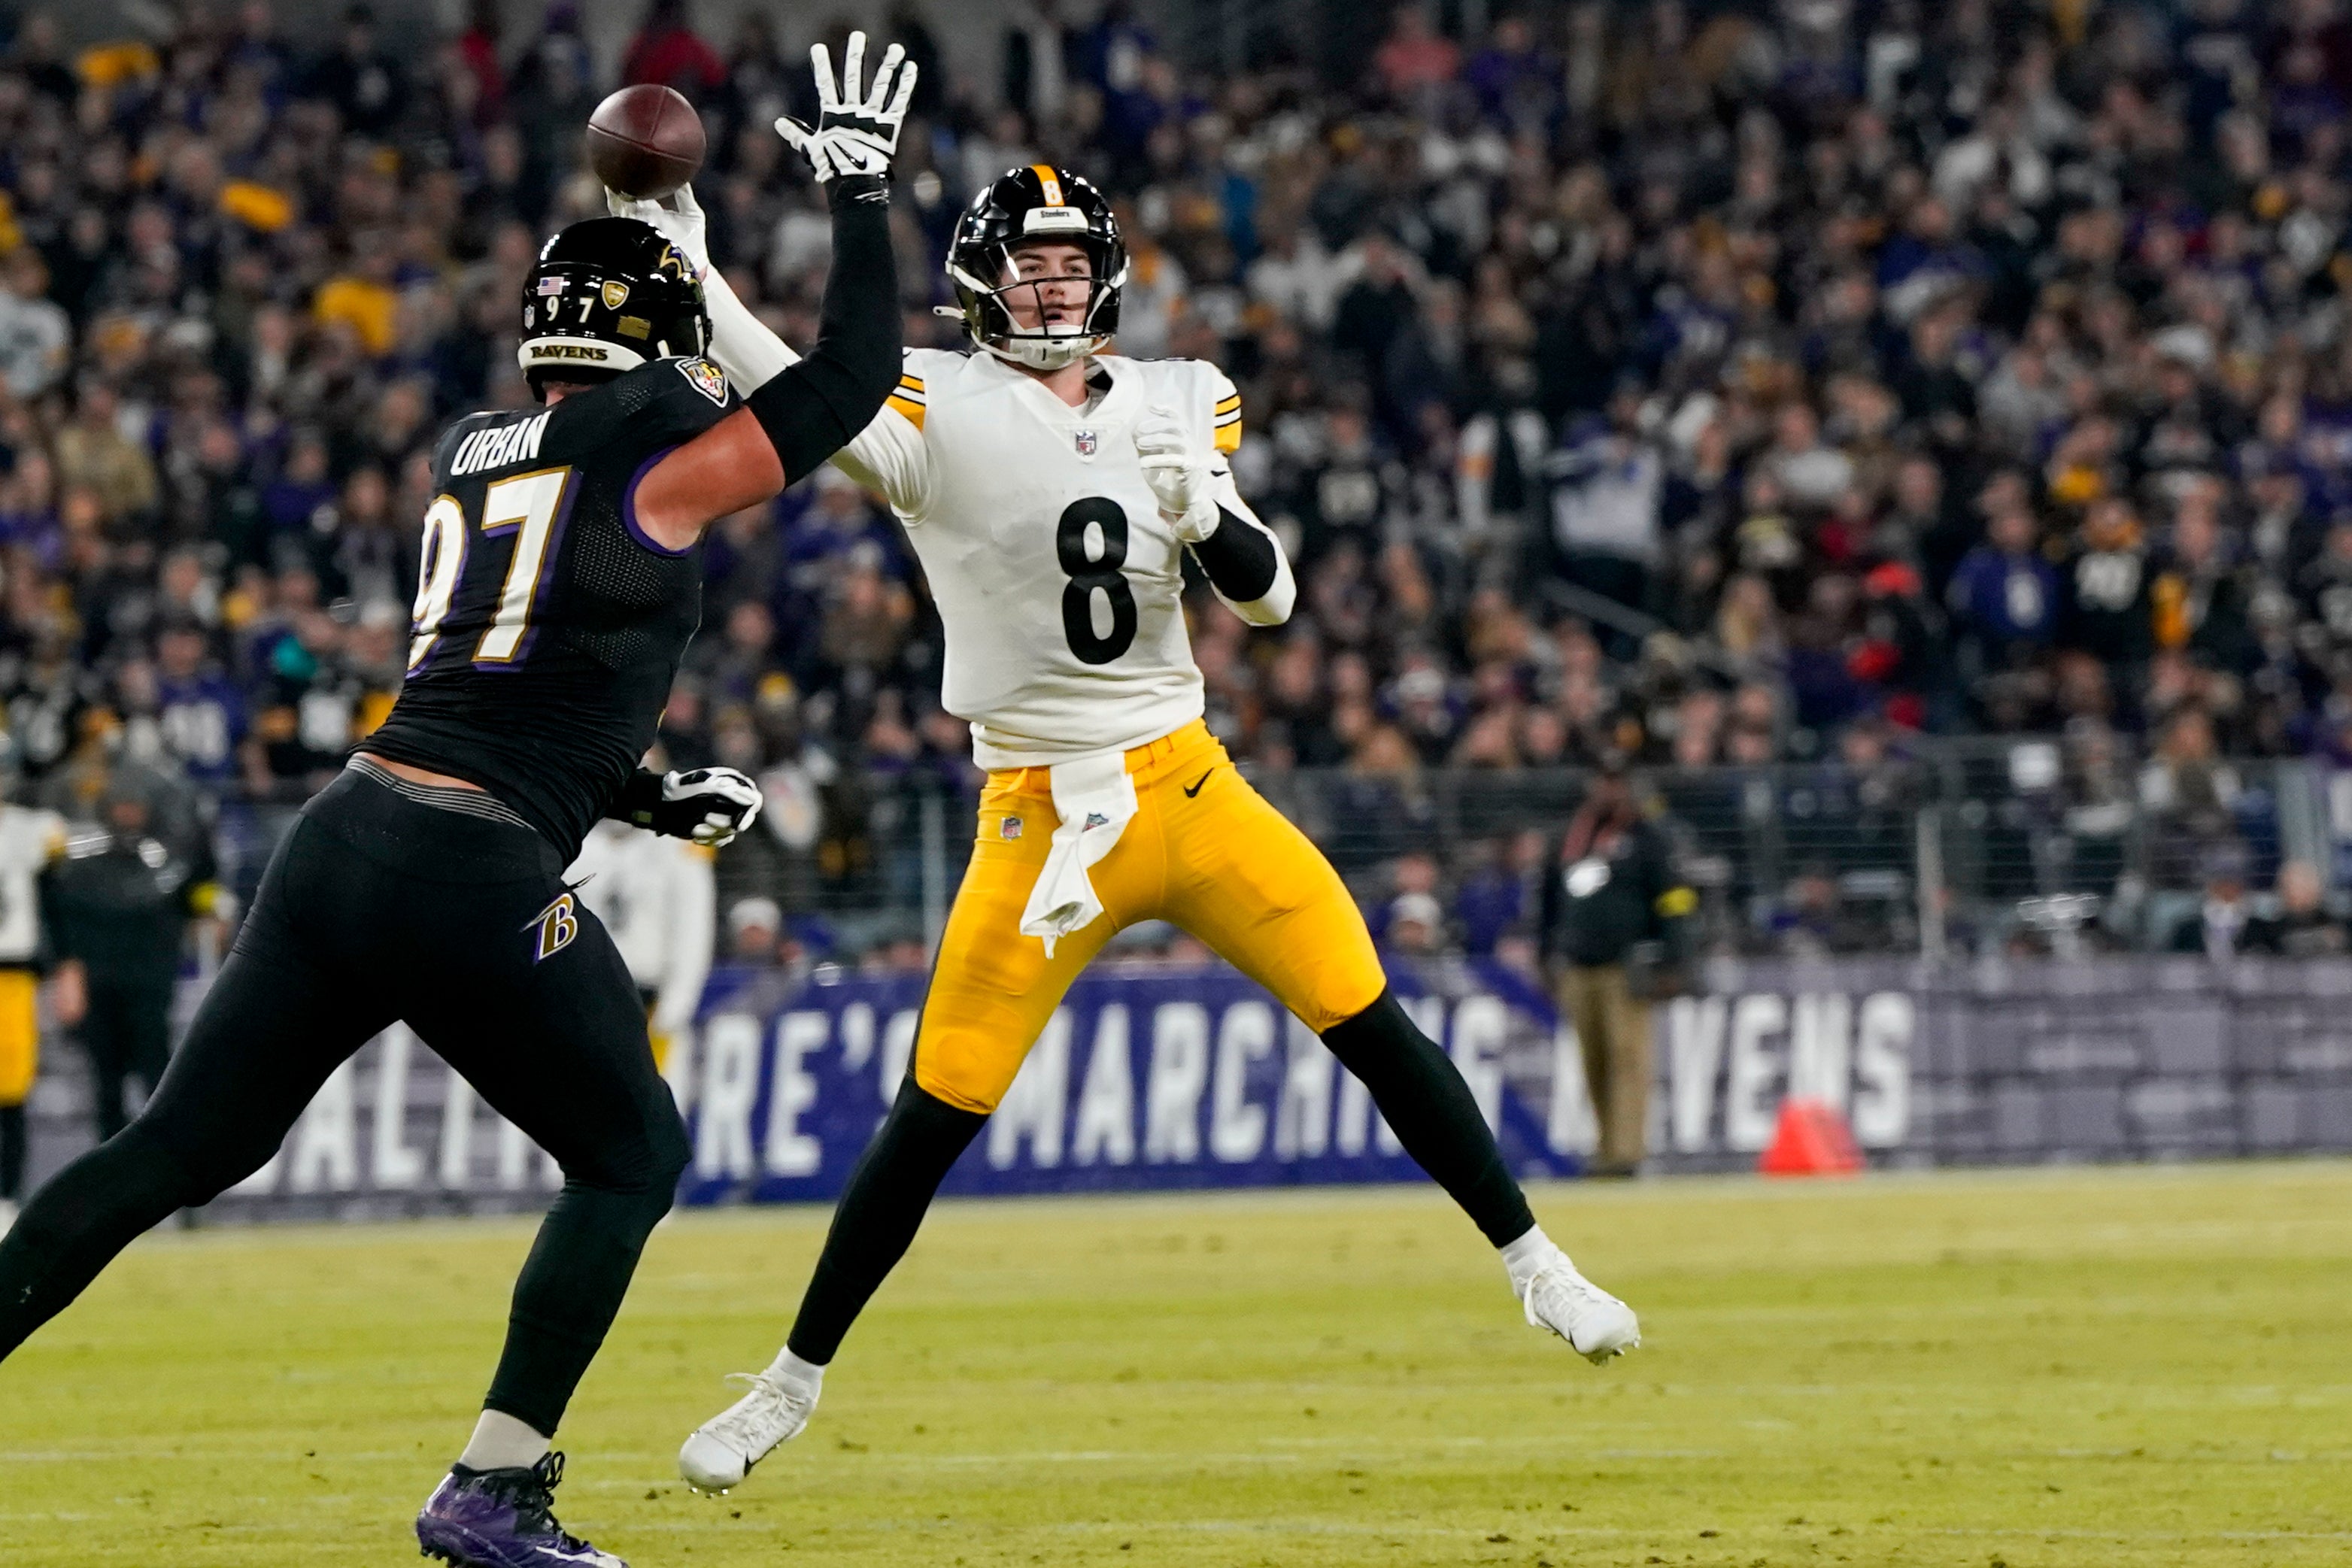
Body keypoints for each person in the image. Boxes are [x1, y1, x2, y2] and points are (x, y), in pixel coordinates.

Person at [0, 35, 912, 1568]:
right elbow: (855, 380)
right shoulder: (651, 451)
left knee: (169, 1150)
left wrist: (630, 791)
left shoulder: (466, 452)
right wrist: (864, 197)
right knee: (628, 1156)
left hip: (346, 836)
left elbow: (513, 671)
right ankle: (491, 1484)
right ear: (659, 339)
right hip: (468, 870)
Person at [627, 160, 1640, 1497]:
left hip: (1189, 784)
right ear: (978, 278)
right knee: (933, 1112)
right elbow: (796, 383)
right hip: (1038, 810)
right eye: (1024, 260)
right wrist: (690, 259)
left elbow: (1269, 604)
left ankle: (1538, 1266)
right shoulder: (932, 399)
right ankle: (788, 1383)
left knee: (1371, 1019)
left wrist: (1210, 512)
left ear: (1101, 274)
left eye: (1066, 260)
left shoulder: (1182, 392)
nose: (1049, 281)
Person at [1537, 758, 1695, 1178]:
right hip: (1577, 966)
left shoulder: (1647, 837)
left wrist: (1673, 956)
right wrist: (1544, 953)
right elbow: (1548, 900)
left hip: (1626, 967)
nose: (1609, 790)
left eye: (1616, 782)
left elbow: (1673, 898)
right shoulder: (1570, 837)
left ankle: (1627, 1153)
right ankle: (1605, 1150)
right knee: (1593, 1061)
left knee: (1628, 1059)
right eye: (1603, 781)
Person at [41, 781, 222, 1142]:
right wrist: (67, 967)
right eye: (120, 805)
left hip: (150, 987)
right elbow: (55, 908)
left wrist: (211, 911)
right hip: (100, 984)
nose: (127, 814)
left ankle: (167, 1169)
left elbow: (201, 890)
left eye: (134, 806)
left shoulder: (167, 861)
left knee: (159, 1079)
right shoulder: (80, 863)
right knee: (107, 1083)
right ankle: (111, 1173)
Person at [0, 775, 67, 1236]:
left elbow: (59, 841)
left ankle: (5, 1200)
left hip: (12, 974)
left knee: (10, 1097)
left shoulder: (26, 828)